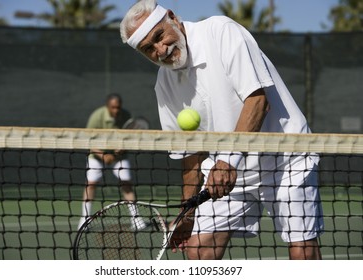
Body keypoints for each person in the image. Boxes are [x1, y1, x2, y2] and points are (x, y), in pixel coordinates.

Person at [120, 0, 324, 260]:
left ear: (172, 17)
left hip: (286, 159)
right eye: (148, 49)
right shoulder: (165, 84)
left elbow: (257, 101)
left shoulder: (221, 31)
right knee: (198, 250)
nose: (161, 49)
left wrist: (228, 161)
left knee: (303, 253)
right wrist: (188, 212)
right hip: (225, 170)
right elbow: (190, 155)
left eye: (159, 36)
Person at [78, 93, 146, 230]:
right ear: (108, 106)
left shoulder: (126, 115)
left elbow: (129, 138)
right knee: (90, 184)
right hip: (96, 155)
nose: (116, 111)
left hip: (119, 157)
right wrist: (103, 155)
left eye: (118, 107)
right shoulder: (97, 116)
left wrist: (119, 151)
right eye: (113, 108)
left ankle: (136, 218)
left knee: (126, 183)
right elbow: (87, 140)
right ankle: (84, 218)